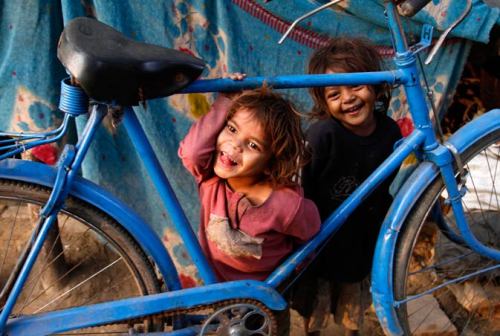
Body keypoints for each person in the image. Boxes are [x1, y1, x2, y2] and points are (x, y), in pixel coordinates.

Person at [290, 37, 402, 335]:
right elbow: (303, 187)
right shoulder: (322, 136)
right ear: (323, 102)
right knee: (316, 306)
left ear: (376, 86)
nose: (348, 98)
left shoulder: (390, 131)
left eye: (356, 85)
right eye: (334, 94)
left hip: (363, 238)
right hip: (322, 240)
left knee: (353, 302)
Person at [178, 83, 321, 283]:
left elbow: (311, 235)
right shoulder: (210, 178)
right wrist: (226, 100)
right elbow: (192, 153)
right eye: (232, 129)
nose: (235, 145)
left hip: (261, 295)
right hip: (213, 285)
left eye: (253, 145)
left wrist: (294, 272)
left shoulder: (286, 206)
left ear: (270, 164)